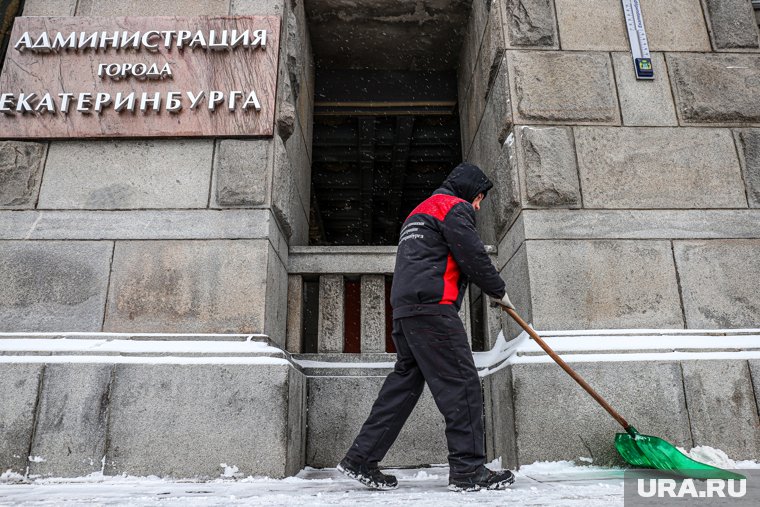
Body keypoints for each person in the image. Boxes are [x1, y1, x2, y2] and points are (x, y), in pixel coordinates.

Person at [337, 162, 516, 492]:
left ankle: (360, 458)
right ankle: (468, 471)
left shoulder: (420, 212)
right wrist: (498, 291)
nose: (477, 206)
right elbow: (472, 254)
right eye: (479, 199)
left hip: (405, 312)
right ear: (469, 193)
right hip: (432, 311)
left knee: (403, 387)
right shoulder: (454, 207)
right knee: (462, 385)